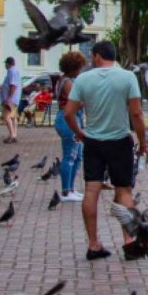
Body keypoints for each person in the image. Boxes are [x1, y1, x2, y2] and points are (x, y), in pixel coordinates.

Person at [63, 41, 148, 261]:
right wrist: (143, 143)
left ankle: (93, 244)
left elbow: (68, 113)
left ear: (97, 57)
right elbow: (137, 114)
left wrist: (80, 133)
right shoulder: (127, 77)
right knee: (124, 192)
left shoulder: (83, 79)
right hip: (120, 140)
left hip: (93, 141)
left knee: (91, 190)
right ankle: (129, 243)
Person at [53, 52, 86, 201]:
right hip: (68, 120)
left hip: (70, 118)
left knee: (77, 156)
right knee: (70, 155)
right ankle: (66, 191)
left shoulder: (65, 80)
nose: (81, 70)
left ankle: (71, 188)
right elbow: (76, 101)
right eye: (79, 67)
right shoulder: (67, 82)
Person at [1, 56, 22, 143]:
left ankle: (12, 135)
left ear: (8, 64)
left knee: (6, 116)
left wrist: (8, 98)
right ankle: (14, 134)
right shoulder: (16, 71)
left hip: (11, 99)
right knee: (13, 117)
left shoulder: (11, 71)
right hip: (15, 98)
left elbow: (13, 85)